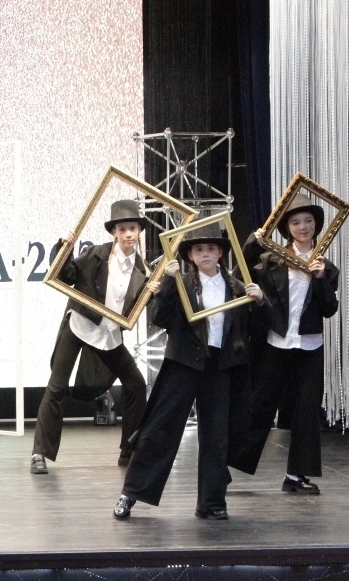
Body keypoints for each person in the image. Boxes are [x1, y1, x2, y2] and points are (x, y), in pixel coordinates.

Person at [112, 223, 265, 520]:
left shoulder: (236, 287)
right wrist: (168, 283)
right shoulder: (180, 283)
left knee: (216, 435)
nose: (205, 253)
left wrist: (259, 301)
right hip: (184, 363)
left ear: (220, 253)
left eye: (211, 248)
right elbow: (160, 319)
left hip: (220, 367)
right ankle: (131, 493)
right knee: (159, 428)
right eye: (199, 249)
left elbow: (255, 329)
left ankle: (212, 502)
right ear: (190, 256)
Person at [29, 200, 151, 474]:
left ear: (139, 231)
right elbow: (66, 275)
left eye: (132, 228)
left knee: (135, 383)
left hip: (108, 333)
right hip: (80, 324)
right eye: (123, 229)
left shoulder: (142, 270)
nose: (128, 234)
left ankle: (129, 451)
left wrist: (157, 288)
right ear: (114, 232)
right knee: (57, 386)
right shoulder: (96, 254)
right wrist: (64, 248)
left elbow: (137, 306)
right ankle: (39, 454)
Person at [231, 194, 340, 494]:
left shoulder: (327, 267)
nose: (303, 227)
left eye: (308, 221)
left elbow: (329, 309)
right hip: (275, 342)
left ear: (317, 225)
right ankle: (226, 466)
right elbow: (239, 276)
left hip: (310, 347)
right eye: (296, 222)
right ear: (287, 229)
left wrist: (319, 278)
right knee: (259, 407)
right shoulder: (271, 260)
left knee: (306, 410)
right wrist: (251, 244)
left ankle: (296, 476)